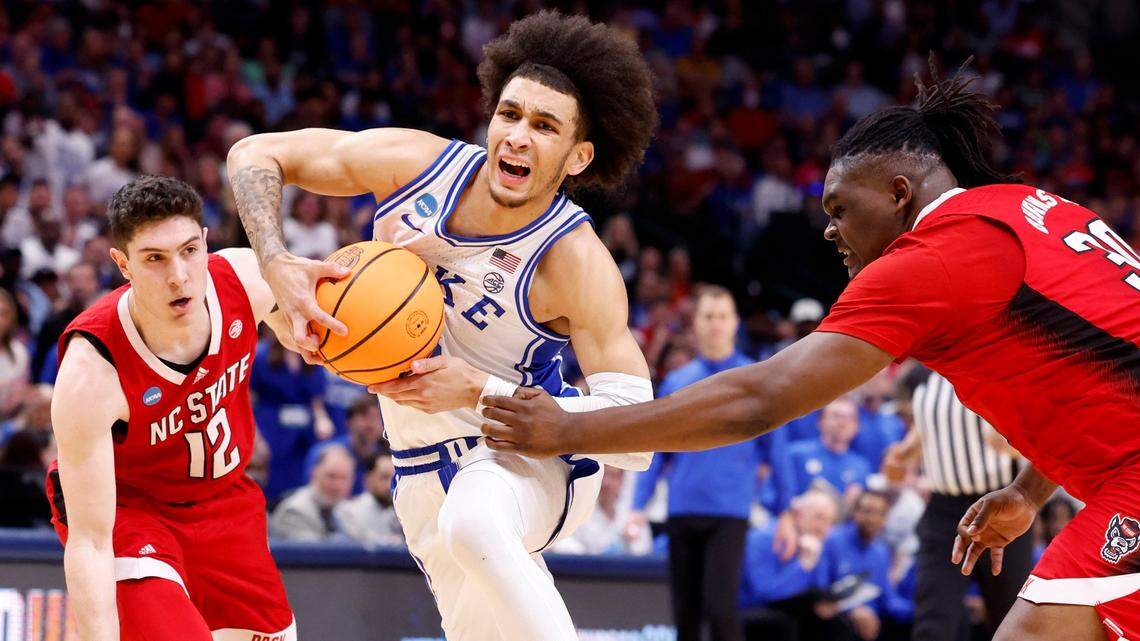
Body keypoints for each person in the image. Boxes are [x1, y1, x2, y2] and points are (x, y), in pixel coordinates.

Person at [479, 58, 1140, 641]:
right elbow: (1102, 355)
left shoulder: (934, 257)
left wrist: (570, 428)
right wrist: (1028, 490)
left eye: (838, 208)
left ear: (898, 194)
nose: (829, 230)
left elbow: (756, 399)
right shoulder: (1030, 207)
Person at [226, 11, 657, 641]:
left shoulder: (575, 260)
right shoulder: (416, 165)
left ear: (577, 156)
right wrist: (277, 265)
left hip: (526, 457)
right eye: (509, 115)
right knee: (227, 269)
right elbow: (253, 152)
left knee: (476, 518)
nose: (516, 136)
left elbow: (635, 430)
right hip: (420, 468)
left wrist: (479, 389)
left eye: (544, 126)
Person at [45, 175, 296, 641]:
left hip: (224, 501)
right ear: (122, 264)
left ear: (205, 242)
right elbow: (90, 543)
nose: (178, 275)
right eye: (154, 259)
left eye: (188, 251)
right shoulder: (91, 373)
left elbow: (310, 335)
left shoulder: (246, 278)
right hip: (129, 511)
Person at [628, 285, 791, 641]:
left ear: (735, 323)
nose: (715, 324)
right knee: (684, 615)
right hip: (682, 509)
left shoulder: (757, 378)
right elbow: (656, 448)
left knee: (720, 609)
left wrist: (788, 513)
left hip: (729, 512)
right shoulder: (678, 381)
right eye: (708, 316)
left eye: (722, 316)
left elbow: (776, 452)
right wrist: (637, 506)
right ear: (696, 324)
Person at [882, 368, 1030, 641]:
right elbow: (922, 436)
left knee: (1009, 618)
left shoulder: (999, 371)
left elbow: (1028, 442)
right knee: (933, 618)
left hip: (1001, 509)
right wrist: (900, 457)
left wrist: (1011, 442)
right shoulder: (925, 378)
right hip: (943, 512)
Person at [739, 488, 839, 641]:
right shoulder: (764, 538)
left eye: (829, 522)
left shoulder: (815, 543)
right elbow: (764, 592)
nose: (822, 527)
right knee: (782, 623)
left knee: (835, 620)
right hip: (753, 607)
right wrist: (803, 565)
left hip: (789, 607)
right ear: (798, 513)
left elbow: (819, 588)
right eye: (818, 517)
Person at [786, 396, 870, 503]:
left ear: (857, 426)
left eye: (850, 418)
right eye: (836, 416)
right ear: (820, 421)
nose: (842, 423)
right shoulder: (796, 454)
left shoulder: (861, 466)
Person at [269, 442, 355, 541]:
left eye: (343, 478)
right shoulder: (295, 511)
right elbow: (316, 555)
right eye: (331, 476)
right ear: (314, 474)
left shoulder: (347, 512)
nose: (337, 486)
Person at [335, 449, 405, 549]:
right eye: (384, 477)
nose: (391, 485)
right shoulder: (348, 512)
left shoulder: (406, 513)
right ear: (368, 479)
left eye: (395, 478)